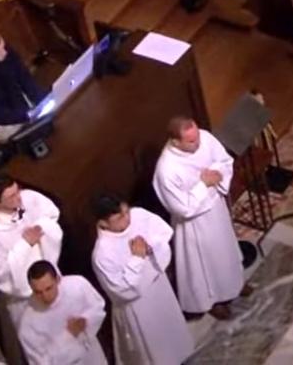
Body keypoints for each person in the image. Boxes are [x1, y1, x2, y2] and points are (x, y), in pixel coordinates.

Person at [153, 117, 244, 318]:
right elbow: (182, 207)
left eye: (197, 137)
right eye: (191, 141)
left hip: (216, 210)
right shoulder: (167, 169)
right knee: (207, 264)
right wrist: (204, 185)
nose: (198, 143)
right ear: (175, 142)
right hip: (195, 224)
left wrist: (218, 175)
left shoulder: (204, 137)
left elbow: (224, 160)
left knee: (225, 250)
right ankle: (214, 300)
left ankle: (234, 284)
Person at [89, 195, 192, 365]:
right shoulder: (102, 253)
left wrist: (150, 245)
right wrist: (137, 258)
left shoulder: (137, 215)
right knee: (154, 350)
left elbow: (164, 232)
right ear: (103, 223)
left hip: (159, 287)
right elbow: (121, 290)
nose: (127, 218)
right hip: (138, 305)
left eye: (126, 211)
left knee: (172, 333)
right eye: (120, 217)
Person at [0, 176, 64, 336]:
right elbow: (0, 273)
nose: (19, 198)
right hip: (25, 299)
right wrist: (25, 245)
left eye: (18, 190)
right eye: (11, 196)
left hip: (49, 277)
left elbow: (51, 214)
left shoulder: (27, 197)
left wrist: (40, 227)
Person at [15, 261, 107, 365]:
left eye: (49, 288)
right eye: (38, 292)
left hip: (93, 357)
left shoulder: (77, 285)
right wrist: (69, 336)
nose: (45, 296)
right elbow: (41, 362)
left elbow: (98, 306)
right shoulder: (28, 324)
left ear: (58, 280)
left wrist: (86, 320)